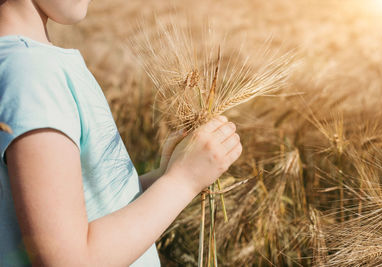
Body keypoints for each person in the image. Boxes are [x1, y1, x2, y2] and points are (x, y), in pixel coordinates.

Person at [0, 0, 242, 266]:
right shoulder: (33, 76)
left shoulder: (30, 66)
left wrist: (163, 177)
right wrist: (183, 181)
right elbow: (71, 260)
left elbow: (88, 208)